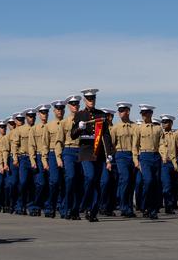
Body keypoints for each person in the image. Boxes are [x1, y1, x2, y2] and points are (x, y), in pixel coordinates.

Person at [70, 88, 114, 222]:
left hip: (98, 152)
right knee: (90, 177)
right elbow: (72, 135)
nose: (91, 101)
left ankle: (92, 211)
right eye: (88, 99)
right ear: (84, 100)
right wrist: (79, 128)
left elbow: (105, 136)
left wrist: (108, 155)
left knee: (100, 182)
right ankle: (82, 205)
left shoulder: (101, 115)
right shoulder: (80, 115)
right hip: (85, 151)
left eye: (93, 99)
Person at [132, 104, 164, 219]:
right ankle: (145, 206)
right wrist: (136, 160)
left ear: (151, 114)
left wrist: (163, 155)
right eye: (142, 113)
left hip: (156, 156)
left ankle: (153, 210)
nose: (144, 115)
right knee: (148, 181)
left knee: (155, 184)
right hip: (144, 156)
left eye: (146, 113)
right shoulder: (138, 128)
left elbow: (161, 144)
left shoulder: (158, 128)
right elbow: (135, 146)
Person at [58, 96, 84, 219]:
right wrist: (58, 157)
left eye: (77, 104)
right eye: (73, 104)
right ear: (69, 106)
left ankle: (75, 210)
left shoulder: (84, 120)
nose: (75, 106)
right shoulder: (64, 123)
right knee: (70, 178)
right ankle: (66, 208)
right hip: (68, 151)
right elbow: (59, 141)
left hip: (81, 151)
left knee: (79, 182)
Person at [110, 102, 136, 217]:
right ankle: (123, 206)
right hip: (120, 155)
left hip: (133, 155)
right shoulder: (115, 128)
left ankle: (129, 207)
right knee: (125, 179)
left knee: (131, 181)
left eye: (122, 110)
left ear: (128, 111)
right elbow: (111, 145)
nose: (120, 113)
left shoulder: (135, 127)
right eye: (119, 111)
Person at [42, 100, 66, 218]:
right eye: (57, 109)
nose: (60, 111)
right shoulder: (48, 126)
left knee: (65, 182)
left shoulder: (68, 123)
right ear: (54, 111)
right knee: (54, 181)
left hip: (65, 153)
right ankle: (50, 206)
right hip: (52, 154)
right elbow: (45, 145)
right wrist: (44, 160)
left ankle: (63, 208)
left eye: (61, 109)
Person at [28, 104, 50, 216]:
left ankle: (48, 207)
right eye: (42, 113)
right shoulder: (34, 129)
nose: (44, 115)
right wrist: (32, 161)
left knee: (51, 183)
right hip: (38, 157)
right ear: (39, 114)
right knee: (40, 183)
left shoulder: (51, 126)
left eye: (46, 113)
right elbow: (31, 146)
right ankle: (35, 205)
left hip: (50, 156)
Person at [159, 114, 178, 214]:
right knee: (166, 186)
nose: (164, 124)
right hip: (164, 163)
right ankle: (167, 206)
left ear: (171, 123)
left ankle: (172, 204)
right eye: (162, 122)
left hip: (174, 163)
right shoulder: (159, 134)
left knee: (174, 186)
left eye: (166, 122)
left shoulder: (175, 135)